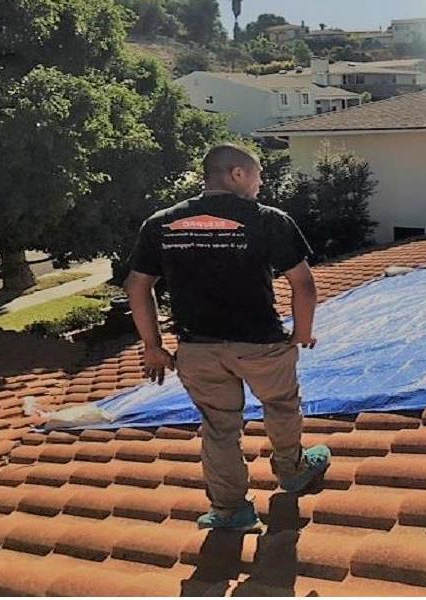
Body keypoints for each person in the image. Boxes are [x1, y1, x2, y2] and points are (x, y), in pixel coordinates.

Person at [123, 143, 331, 533]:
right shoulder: (268, 219)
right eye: (257, 174)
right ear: (237, 174)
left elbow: (137, 286)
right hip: (261, 344)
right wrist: (302, 334)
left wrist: (153, 348)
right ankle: (292, 470)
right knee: (281, 407)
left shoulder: (161, 223)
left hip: (197, 349)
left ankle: (231, 509)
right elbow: (303, 284)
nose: (261, 182)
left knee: (219, 427)